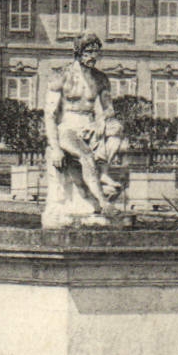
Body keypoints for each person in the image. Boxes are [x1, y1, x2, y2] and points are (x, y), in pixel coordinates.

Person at [42, 33, 123, 226]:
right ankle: (103, 203)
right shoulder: (61, 76)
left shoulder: (101, 79)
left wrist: (100, 122)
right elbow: (50, 115)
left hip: (89, 125)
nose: (93, 56)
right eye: (88, 51)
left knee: (117, 129)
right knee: (86, 155)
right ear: (78, 53)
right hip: (67, 129)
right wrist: (55, 148)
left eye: (96, 52)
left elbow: (108, 110)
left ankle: (102, 170)